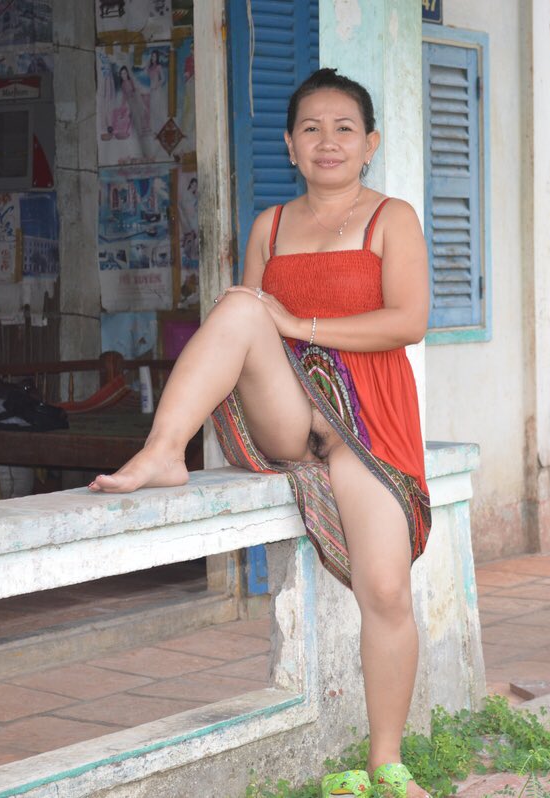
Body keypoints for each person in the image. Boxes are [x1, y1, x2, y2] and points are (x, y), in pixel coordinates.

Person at [89, 68, 433, 798]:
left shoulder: (392, 218)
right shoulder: (270, 226)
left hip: (367, 421)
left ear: (370, 143)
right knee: (242, 304)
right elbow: (251, 336)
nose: (328, 141)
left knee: (386, 590)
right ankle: (163, 451)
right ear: (290, 144)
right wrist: (278, 325)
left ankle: (386, 763)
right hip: (288, 413)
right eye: (311, 128)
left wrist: (300, 323)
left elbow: (409, 321)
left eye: (344, 128)